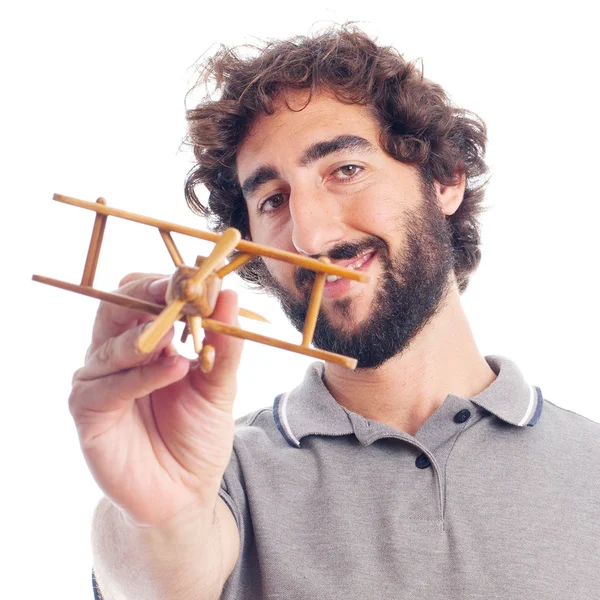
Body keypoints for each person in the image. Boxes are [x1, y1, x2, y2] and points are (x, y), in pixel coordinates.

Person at [74, 26, 600, 600]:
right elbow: (155, 577)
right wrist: (156, 517)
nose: (311, 235)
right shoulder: (222, 475)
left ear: (445, 179)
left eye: (344, 170)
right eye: (273, 200)